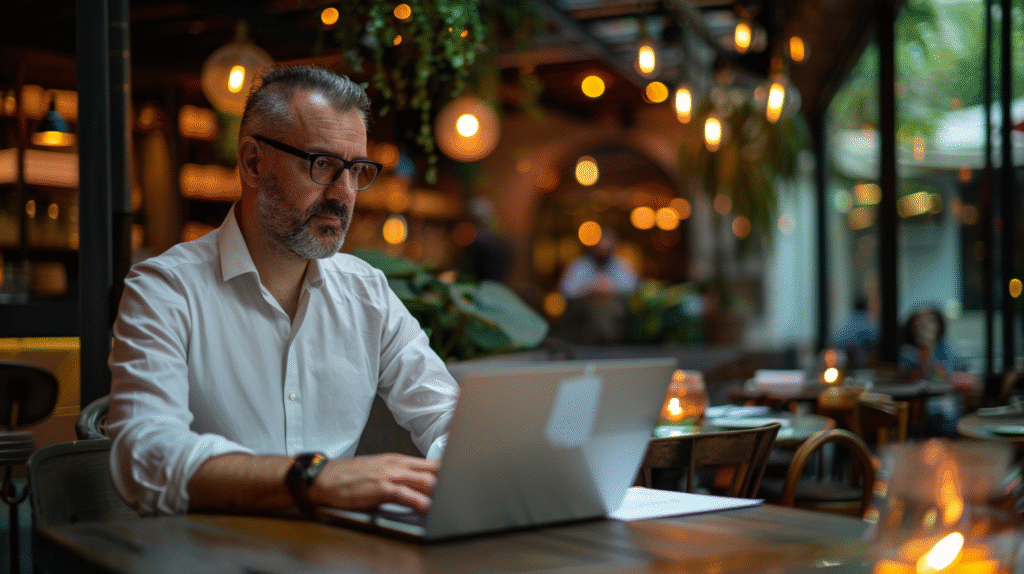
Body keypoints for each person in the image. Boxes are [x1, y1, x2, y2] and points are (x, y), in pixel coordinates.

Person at [106, 65, 459, 517]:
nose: (344, 194)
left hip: (334, 557)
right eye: (323, 165)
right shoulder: (166, 290)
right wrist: (312, 478)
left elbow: (450, 419)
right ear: (253, 162)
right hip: (209, 555)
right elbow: (144, 457)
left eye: (357, 170)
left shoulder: (368, 294)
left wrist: (452, 474)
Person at [556, 228, 638, 344]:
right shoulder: (580, 264)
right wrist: (591, 287)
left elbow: (634, 287)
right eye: (600, 247)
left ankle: (608, 339)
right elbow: (565, 290)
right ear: (593, 247)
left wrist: (610, 287)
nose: (603, 250)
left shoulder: (621, 265)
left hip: (614, 307)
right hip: (584, 310)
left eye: (607, 248)